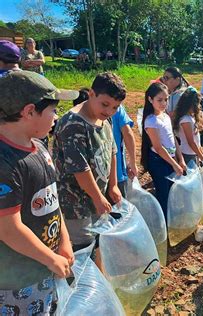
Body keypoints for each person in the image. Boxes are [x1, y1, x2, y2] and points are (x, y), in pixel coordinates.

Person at [0, 71, 77, 314]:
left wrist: (64, 240)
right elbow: (8, 229)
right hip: (17, 280)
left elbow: (51, 201)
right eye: (53, 110)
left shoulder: (40, 147)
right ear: (29, 111)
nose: (57, 117)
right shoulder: (5, 163)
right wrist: (50, 258)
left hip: (45, 266)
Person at [53, 72, 126, 251]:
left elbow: (112, 152)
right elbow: (80, 169)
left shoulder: (103, 119)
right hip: (76, 204)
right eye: (105, 104)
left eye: (115, 107)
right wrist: (98, 197)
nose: (109, 111)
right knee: (83, 248)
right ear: (91, 94)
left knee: (98, 243)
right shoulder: (73, 124)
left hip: (96, 199)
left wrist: (113, 186)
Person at [141, 82, 186, 221]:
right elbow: (159, 148)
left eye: (166, 99)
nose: (163, 103)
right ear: (150, 99)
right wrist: (174, 164)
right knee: (163, 193)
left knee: (173, 191)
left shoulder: (165, 116)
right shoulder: (151, 121)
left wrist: (181, 159)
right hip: (159, 161)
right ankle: (163, 223)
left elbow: (173, 139)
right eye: (159, 100)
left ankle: (172, 219)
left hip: (171, 159)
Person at [173, 87, 203, 164]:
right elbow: (191, 142)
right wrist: (201, 157)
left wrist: (201, 154)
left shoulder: (190, 117)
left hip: (194, 153)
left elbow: (197, 140)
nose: (199, 106)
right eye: (198, 103)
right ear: (192, 105)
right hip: (188, 154)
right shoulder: (186, 120)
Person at [111, 105, 138, 198]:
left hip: (95, 174)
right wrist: (133, 162)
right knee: (120, 208)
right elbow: (128, 134)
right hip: (117, 173)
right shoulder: (117, 108)